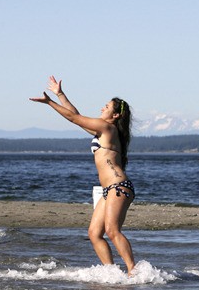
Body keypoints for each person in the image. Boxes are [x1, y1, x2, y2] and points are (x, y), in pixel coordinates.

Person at [29, 76, 136, 274]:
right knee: (95, 233)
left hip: (118, 187)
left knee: (112, 231)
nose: (102, 108)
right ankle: (111, 273)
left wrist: (49, 102)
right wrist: (60, 94)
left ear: (115, 116)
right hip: (109, 190)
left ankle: (133, 271)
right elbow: (76, 116)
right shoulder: (103, 131)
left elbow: (72, 118)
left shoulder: (108, 128)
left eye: (106, 106)